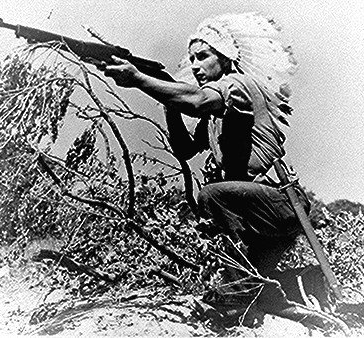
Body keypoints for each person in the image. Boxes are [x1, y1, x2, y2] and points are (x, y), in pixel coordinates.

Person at [101, 13, 313, 320]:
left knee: (212, 195)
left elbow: (198, 101)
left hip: (278, 201)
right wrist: (170, 106)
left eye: (203, 56)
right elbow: (186, 150)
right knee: (247, 286)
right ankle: (267, 294)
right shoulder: (216, 118)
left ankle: (241, 294)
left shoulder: (238, 85)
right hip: (254, 209)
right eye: (192, 59)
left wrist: (139, 79)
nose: (196, 66)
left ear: (225, 58)